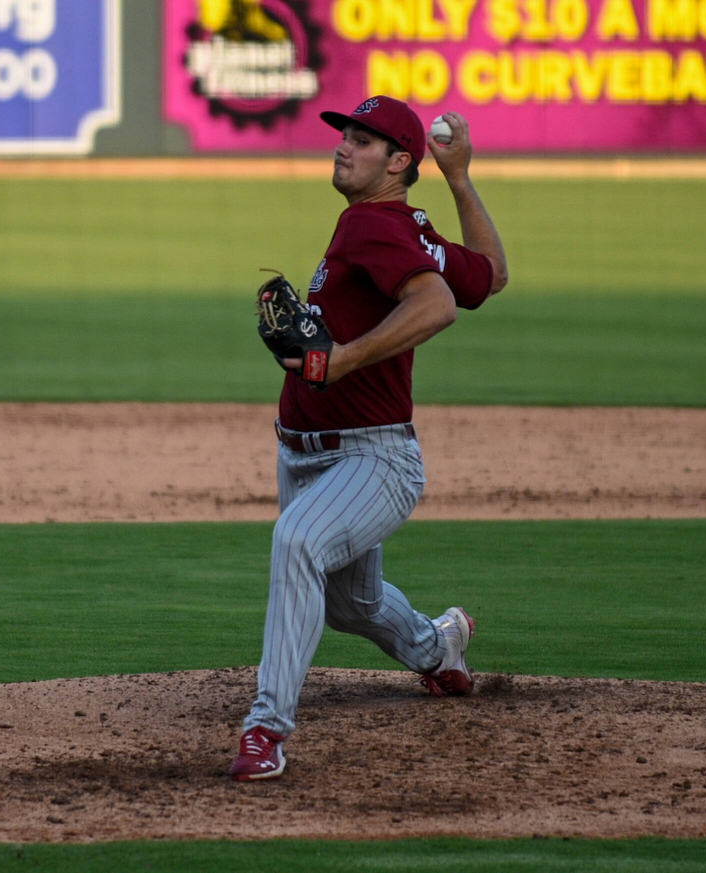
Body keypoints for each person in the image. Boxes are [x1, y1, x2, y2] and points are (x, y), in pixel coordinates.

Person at [230, 95, 509, 782]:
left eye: (363, 138)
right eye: (345, 134)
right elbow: (490, 274)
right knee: (351, 603)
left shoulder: (377, 228)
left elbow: (440, 301)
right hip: (309, 452)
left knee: (297, 542)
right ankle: (439, 647)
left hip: (372, 457)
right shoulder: (404, 226)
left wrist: (341, 358)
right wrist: (462, 179)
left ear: (398, 161)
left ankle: (266, 728)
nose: (344, 145)